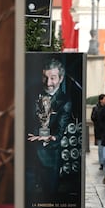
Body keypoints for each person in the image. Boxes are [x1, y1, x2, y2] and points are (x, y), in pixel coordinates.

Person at [27, 58, 73, 194]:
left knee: (49, 197)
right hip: (28, 155)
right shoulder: (30, 93)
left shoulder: (65, 101)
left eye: (53, 78)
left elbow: (60, 130)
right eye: (45, 77)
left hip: (50, 157)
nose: (48, 83)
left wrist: (49, 138)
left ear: (61, 78)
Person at [91, 94, 105, 170]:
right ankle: (102, 163)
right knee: (101, 148)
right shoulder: (95, 108)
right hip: (99, 131)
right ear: (101, 100)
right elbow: (93, 118)